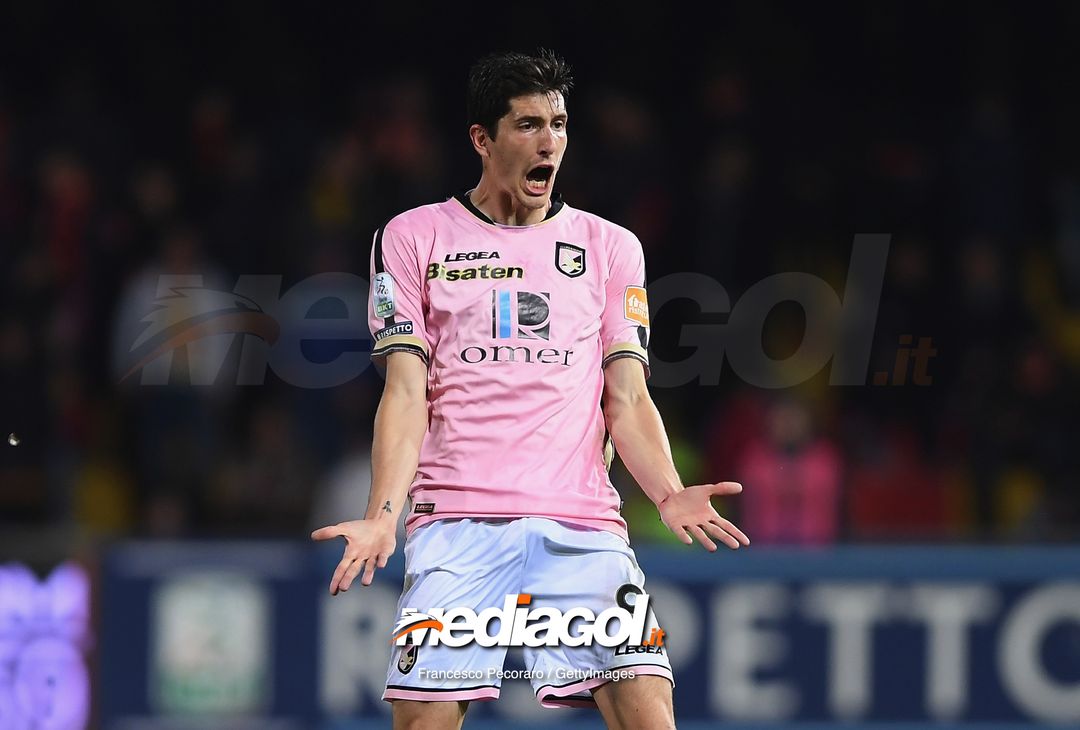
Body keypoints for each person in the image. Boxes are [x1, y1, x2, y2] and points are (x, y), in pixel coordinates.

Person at [312, 50, 750, 730]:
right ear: (482, 140)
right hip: (456, 523)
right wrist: (382, 514)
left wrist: (666, 491)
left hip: (581, 527)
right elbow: (403, 393)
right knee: (423, 722)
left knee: (648, 712)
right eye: (527, 125)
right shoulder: (414, 236)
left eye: (559, 124)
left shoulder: (611, 249)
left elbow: (627, 398)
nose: (549, 142)